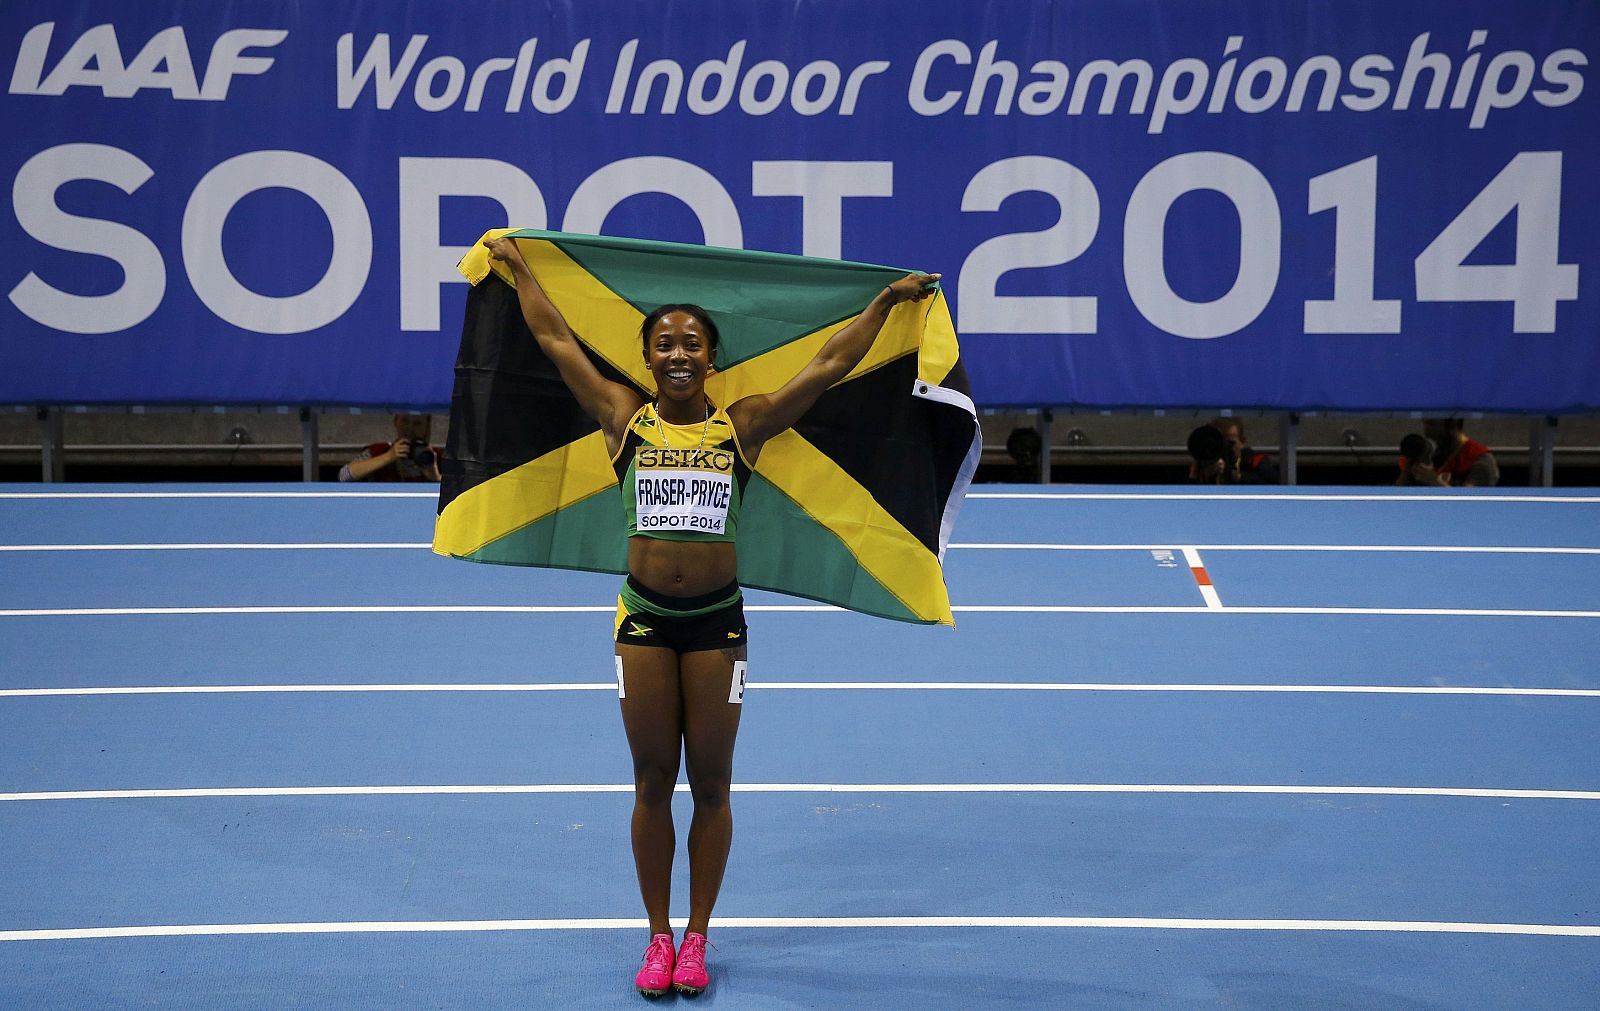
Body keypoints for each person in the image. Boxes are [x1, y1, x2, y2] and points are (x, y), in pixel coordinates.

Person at [481, 235, 938, 998]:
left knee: (713, 781)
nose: (679, 353)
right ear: (647, 359)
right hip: (644, 621)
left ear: (712, 359)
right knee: (652, 778)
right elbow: (557, 340)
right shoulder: (623, 418)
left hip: (717, 625)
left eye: (692, 342)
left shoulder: (742, 426)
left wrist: (885, 303)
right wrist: (520, 268)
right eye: (664, 344)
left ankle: (697, 935)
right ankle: (657, 936)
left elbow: (827, 365)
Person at [338, 414, 442, 482]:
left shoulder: (439, 456)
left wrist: (436, 477)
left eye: (417, 423)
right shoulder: (378, 451)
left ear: (427, 426)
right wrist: (388, 457)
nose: (410, 428)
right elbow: (344, 475)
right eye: (405, 421)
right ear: (396, 421)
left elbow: (452, 494)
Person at [1186, 420, 1278, 484]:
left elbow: (1271, 481)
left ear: (1242, 441)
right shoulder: (1204, 461)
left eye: (1230, 442)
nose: (1224, 448)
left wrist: (1230, 473)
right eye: (1219, 443)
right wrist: (1194, 474)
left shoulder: (1254, 460)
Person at [1423, 418, 1499, 487]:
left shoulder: (1481, 459)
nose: (1426, 433)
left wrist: (1433, 480)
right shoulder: (1436, 456)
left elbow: (1466, 497)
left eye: (1432, 424)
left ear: (1452, 424)